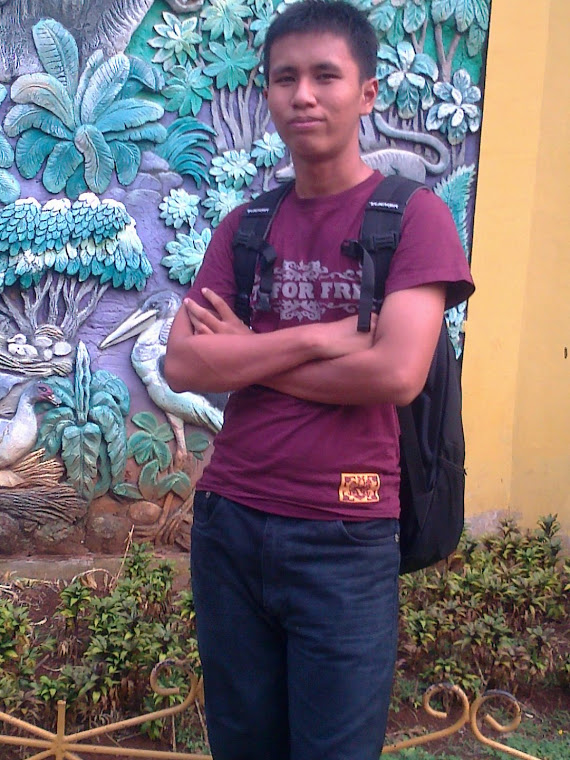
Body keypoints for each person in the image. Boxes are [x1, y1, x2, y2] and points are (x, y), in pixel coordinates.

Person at [164, 1, 475, 758]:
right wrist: (318, 338)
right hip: (230, 522)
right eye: (285, 78)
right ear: (268, 93)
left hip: (346, 534)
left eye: (325, 76)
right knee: (243, 745)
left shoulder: (412, 219)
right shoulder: (246, 226)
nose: (303, 95)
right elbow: (183, 364)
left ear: (366, 93)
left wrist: (252, 353)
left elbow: (395, 373)